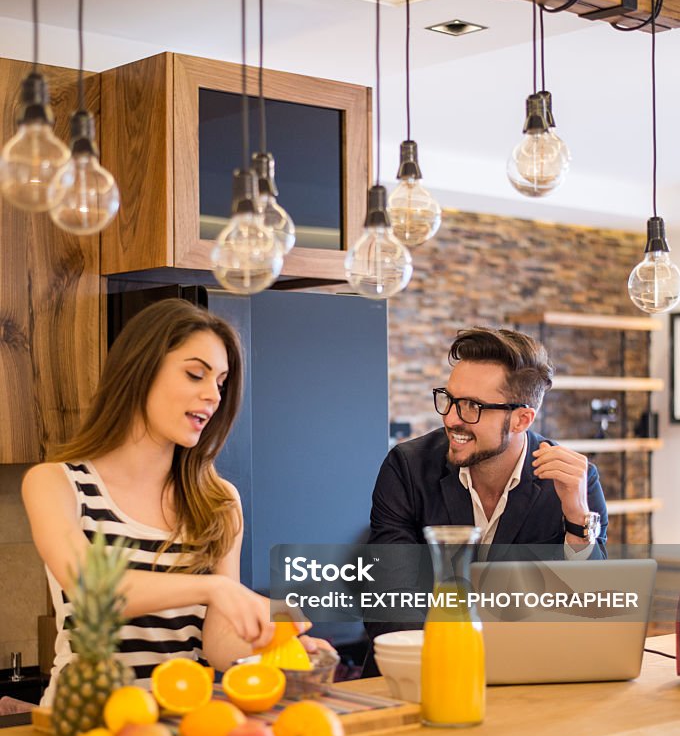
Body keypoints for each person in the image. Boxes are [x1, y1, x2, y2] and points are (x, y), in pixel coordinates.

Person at [23, 298, 324, 705]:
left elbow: (216, 644)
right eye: (195, 374)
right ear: (140, 370)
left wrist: (267, 644)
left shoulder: (219, 501)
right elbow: (92, 588)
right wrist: (214, 589)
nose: (213, 396)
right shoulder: (57, 483)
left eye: (219, 382)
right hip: (86, 721)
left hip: (185, 718)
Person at [370, 327, 608, 555]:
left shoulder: (575, 483)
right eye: (450, 399)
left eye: (473, 406)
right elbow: (393, 589)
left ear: (522, 420)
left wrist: (577, 519)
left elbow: (592, 595)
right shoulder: (408, 468)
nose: (450, 419)